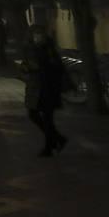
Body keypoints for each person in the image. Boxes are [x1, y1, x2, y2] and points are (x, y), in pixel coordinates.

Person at [20, 26, 67, 156]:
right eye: (35, 34)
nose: (37, 36)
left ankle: (49, 147)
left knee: (47, 119)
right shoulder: (30, 48)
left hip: (48, 88)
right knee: (33, 115)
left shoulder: (49, 48)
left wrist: (39, 67)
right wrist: (26, 67)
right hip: (35, 88)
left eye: (40, 34)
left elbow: (57, 67)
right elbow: (27, 64)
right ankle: (58, 139)